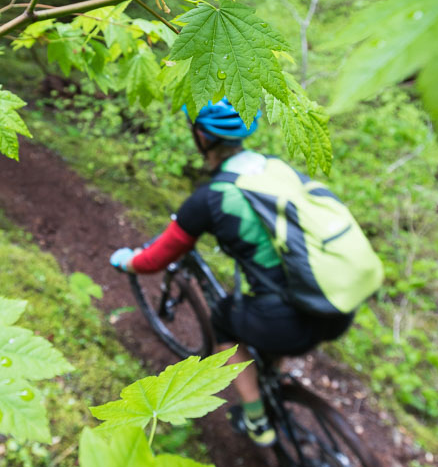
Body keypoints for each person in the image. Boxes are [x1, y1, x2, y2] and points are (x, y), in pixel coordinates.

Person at [109, 99, 357, 447]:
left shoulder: (209, 199)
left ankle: (256, 420)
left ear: (201, 136)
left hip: (289, 321)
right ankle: (274, 374)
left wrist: (126, 261)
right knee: (274, 306)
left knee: (223, 322)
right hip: (337, 304)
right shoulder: (275, 169)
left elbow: (154, 260)